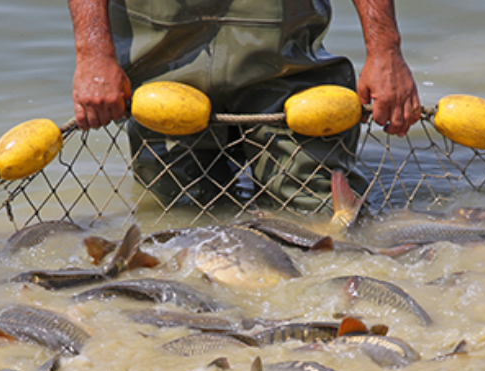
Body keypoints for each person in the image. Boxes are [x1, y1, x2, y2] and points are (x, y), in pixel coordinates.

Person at [67, 0, 420, 213]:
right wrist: (94, 53)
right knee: (178, 222)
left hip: (284, 56)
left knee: (322, 213)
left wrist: (385, 50)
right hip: (162, 59)